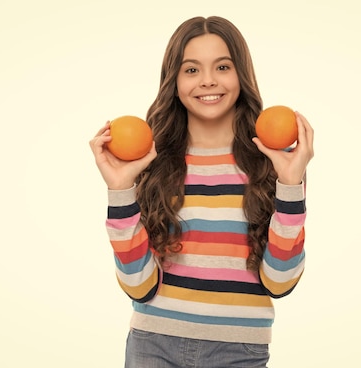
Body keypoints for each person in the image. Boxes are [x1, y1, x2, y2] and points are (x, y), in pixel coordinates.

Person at [89, 15, 314, 368]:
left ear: (241, 73)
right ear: (173, 81)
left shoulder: (273, 163)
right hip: (153, 346)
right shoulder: (153, 162)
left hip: (240, 352)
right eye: (191, 70)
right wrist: (120, 191)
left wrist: (291, 184)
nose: (208, 80)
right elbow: (139, 287)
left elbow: (280, 283)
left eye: (222, 66)